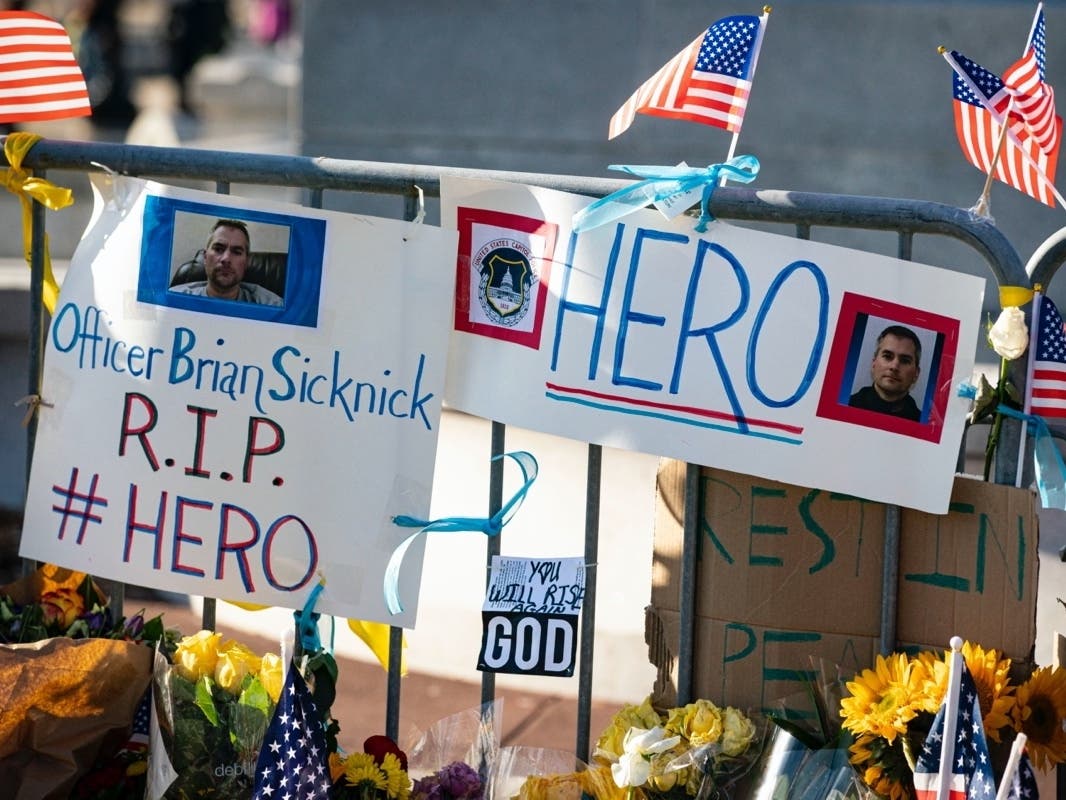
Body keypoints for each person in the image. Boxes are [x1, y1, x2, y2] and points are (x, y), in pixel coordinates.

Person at [171, 219, 284, 305]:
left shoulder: (271, 305)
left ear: (246, 262)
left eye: (236, 252)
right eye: (219, 249)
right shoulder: (174, 300)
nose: (226, 259)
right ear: (205, 257)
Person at [848, 324, 922, 421]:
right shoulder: (846, 404)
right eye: (887, 356)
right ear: (874, 363)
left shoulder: (922, 422)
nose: (894, 367)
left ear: (916, 374)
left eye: (905, 360)